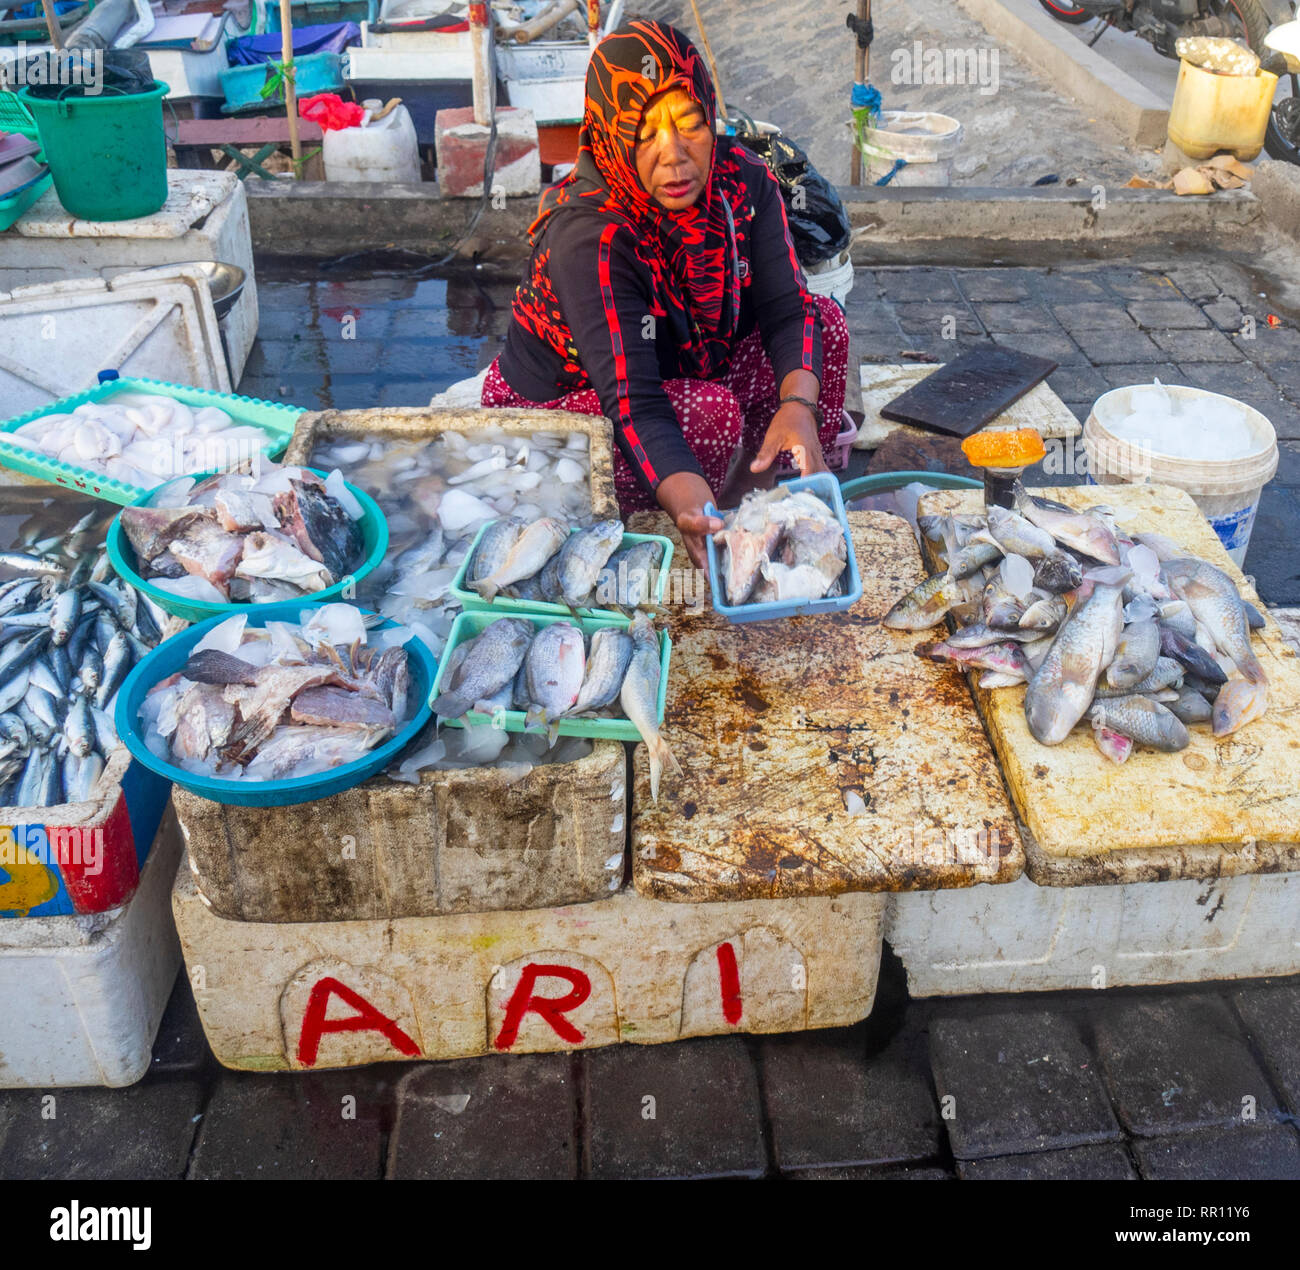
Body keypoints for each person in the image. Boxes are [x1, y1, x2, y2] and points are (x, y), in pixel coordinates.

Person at [481, 19, 849, 568]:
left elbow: (787, 310)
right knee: (711, 415)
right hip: (558, 408)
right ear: (611, 133)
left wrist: (798, 406)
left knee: (826, 326)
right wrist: (684, 499)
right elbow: (634, 401)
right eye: (644, 132)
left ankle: (756, 507)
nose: (674, 153)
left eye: (690, 124)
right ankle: (683, 521)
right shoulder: (591, 236)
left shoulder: (742, 182)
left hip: (679, 365)